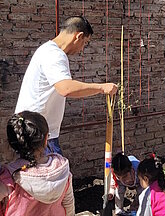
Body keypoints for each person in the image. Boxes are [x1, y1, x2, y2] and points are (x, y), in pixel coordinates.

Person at [15, 16, 118, 155]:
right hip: (37, 133)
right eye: (85, 43)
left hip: (34, 130)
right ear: (78, 36)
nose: (82, 49)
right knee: (55, 174)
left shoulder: (47, 50)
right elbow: (66, 88)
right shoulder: (54, 54)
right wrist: (102, 87)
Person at [0, 111, 75, 216]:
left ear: (12, 143)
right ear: (47, 138)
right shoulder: (61, 170)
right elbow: (68, 204)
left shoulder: (8, 178)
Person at [109, 152, 143, 216]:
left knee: (141, 192)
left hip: (138, 182)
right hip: (120, 185)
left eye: (124, 176)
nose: (122, 179)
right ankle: (119, 211)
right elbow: (112, 185)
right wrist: (111, 193)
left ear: (131, 169)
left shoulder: (139, 169)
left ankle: (135, 206)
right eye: (119, 177)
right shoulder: (114, 173)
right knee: (119, 192)